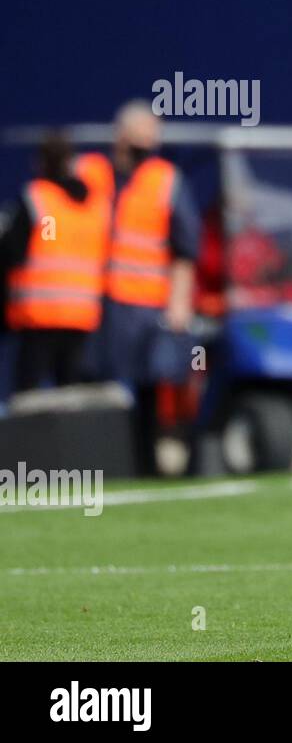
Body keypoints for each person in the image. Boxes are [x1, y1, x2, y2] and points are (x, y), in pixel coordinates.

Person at [94, 101, 200, 475]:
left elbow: (185, 249)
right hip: (97, 302)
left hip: (146, 303)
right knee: (96, 385)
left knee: (148, 389)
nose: (148, 141)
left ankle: (146, 465)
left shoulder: (166, 180)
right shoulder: (94, 174)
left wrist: (179, 302)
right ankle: (97, 464)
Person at [1, 133, 113, 391]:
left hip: (39, 315)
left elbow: (13, 252)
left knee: (27, 396)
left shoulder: (37, 198)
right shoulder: (97, 207)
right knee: (71, 394)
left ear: (40, 162)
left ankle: (26, 434)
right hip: (82, 316)